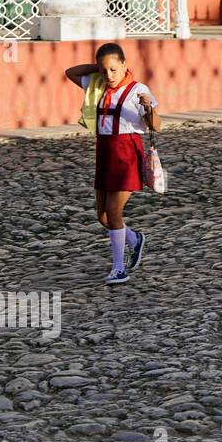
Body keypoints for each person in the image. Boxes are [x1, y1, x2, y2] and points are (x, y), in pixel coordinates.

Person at [64, 42, 161, 284]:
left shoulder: (138, 90)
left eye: (114, 69)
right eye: (104, 70)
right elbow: (71, 72)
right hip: (104, 152)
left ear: (125, 65)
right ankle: (135, 240)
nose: (109, 76)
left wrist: (149, 108)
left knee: (115, 213)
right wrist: (97, 69)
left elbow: (156, 126)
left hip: (127, 154)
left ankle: (119, 268)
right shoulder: (97, 85)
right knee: (103, 217)